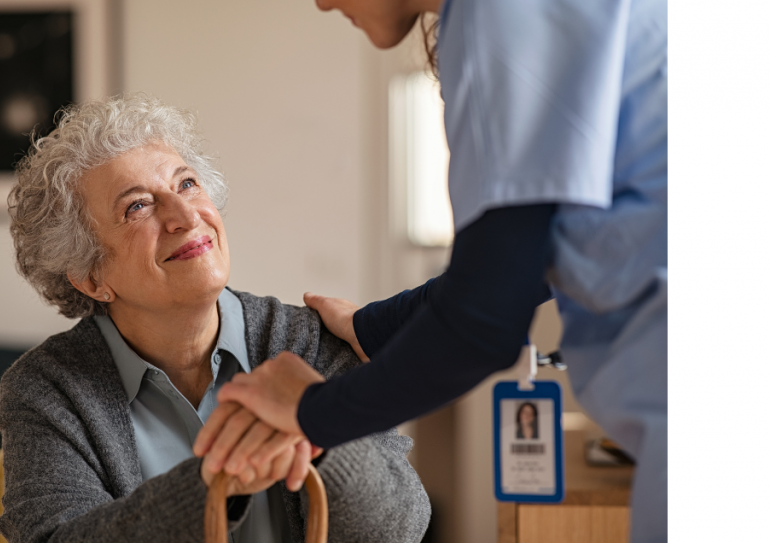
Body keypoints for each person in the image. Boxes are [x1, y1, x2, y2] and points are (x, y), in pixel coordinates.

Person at [195, 0, 667, 541]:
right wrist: (375, 327)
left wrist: (310, 410)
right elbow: (535, 257)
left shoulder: (498, 16)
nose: (322, 2)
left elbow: (483, 325)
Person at [0, 94, 431, 543]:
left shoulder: (309, 345)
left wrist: (319, 415)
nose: (185, 216)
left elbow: (398, 530)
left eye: (186, 184)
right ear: (90, 277)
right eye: (137, 206)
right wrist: (217, 483)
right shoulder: (47, 388)